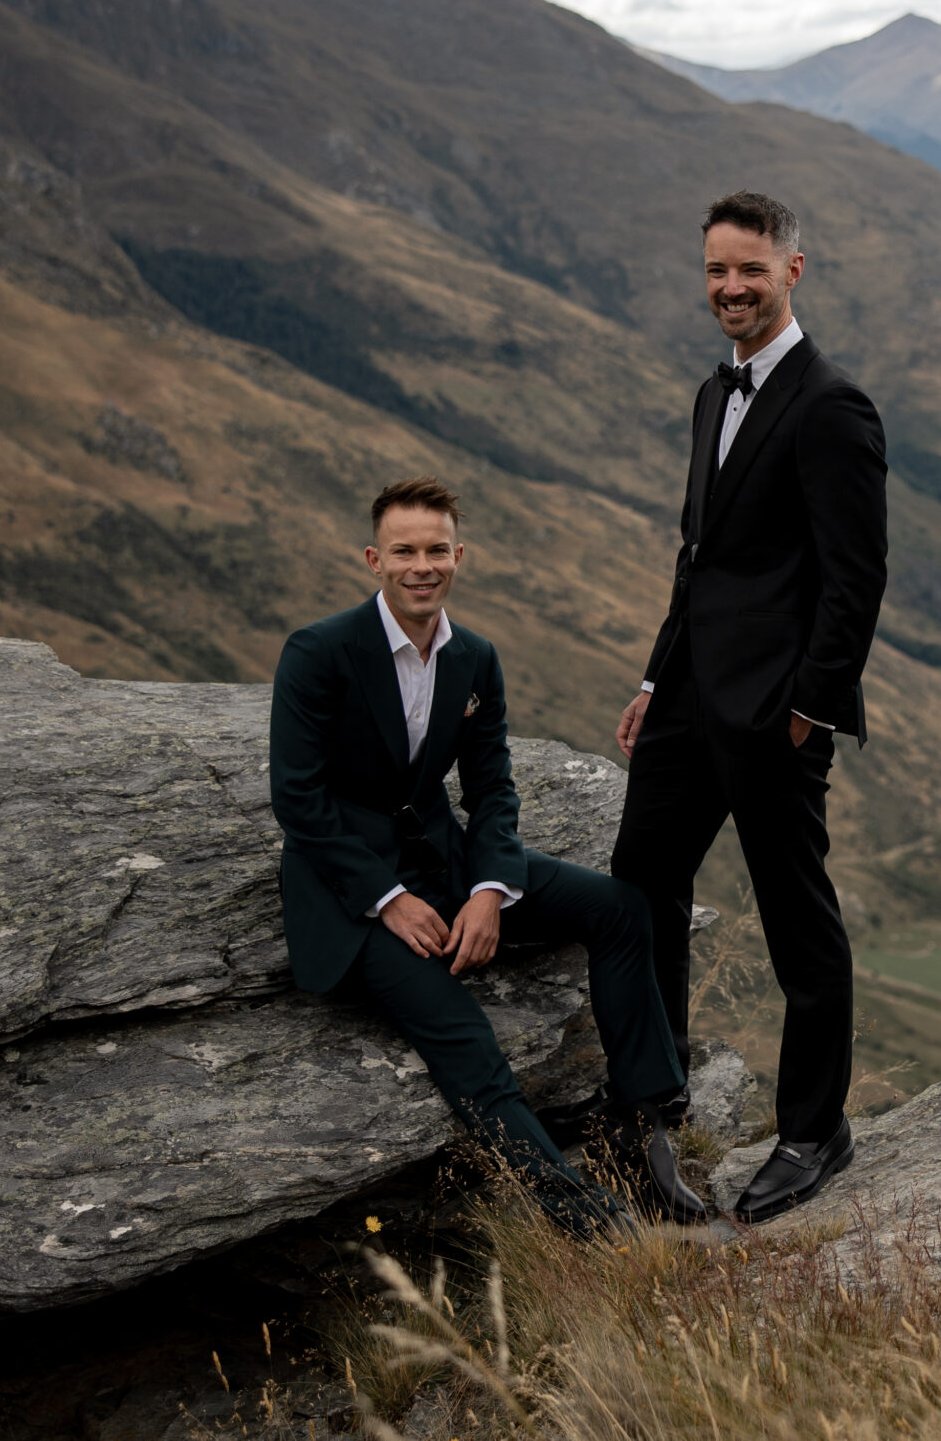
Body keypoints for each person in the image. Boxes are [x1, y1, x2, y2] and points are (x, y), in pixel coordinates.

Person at [270, 476, 709, 1234]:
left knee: (620, 908)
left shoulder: (474, 657)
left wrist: (488, 889)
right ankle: (584, 1219)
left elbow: (492, 789)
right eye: (404, 551)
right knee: (468, 1038)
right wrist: (387, 899)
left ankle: (640, 1129)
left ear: (459, 555)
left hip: (446, 865)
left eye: (436, 550)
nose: (421, 566)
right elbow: (297, 799)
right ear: (374, 559)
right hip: (351, 896)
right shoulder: (319, 652)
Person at [611, 190, 888, 1224]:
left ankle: (815, 1131)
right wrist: (655, 678)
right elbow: (699, 560)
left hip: (775, 715)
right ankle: (652, 1109)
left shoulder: (832, 405)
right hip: (687, 700)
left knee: (795, 923)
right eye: (717, 271)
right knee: (638, 889)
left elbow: (855, 577)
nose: (731, 288)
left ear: (792, 272)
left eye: (751, 271)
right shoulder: (710, 393)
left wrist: (810, 708)